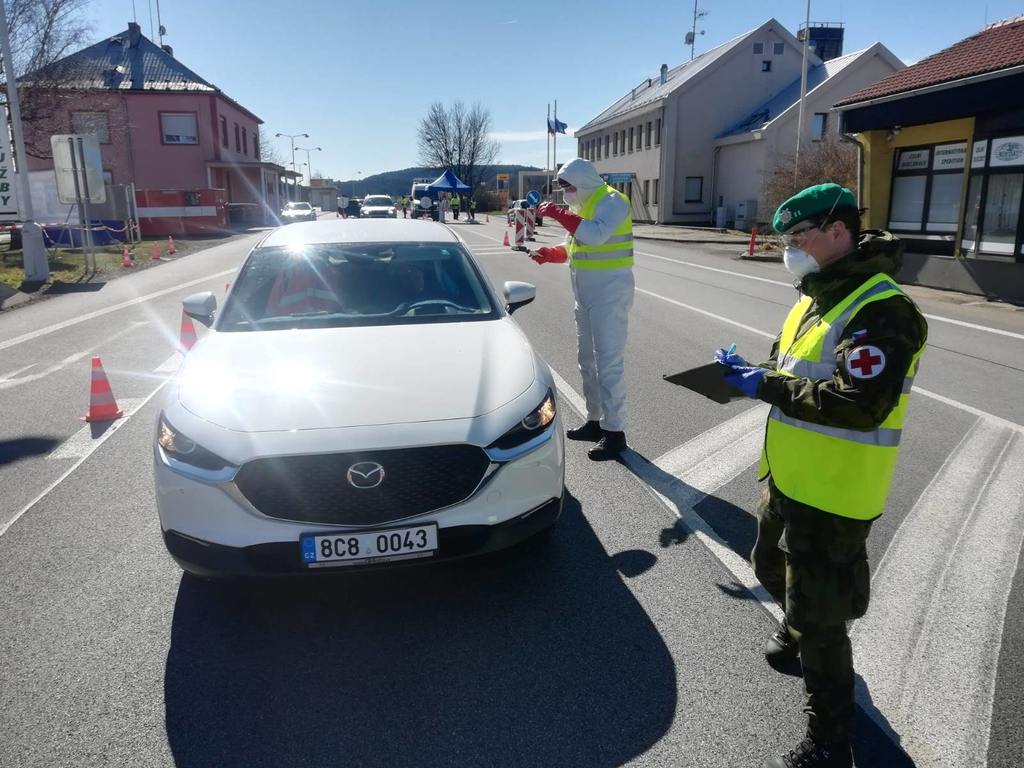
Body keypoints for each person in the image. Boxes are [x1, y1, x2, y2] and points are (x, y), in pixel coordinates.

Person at [714, 183, 928, 768]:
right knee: (767, 563)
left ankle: (831, 740)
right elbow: (792, 367)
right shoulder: (818, 294)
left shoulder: (881, 309)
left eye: (798, 237)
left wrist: (764, 385)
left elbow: (860, 405)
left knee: (823, 621)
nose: (789, 249)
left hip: (834, 492)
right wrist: (749, 371)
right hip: (789, 475)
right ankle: (795, 627)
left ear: (838, 232)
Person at [531, 157, 634, 461]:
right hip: (586, 295)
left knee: (608, 364)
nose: (566, 193)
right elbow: (574, 246)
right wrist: (551, 253)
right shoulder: (584, 207)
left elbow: (595, 235)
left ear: (584, 182)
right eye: (563, 187)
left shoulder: (613, 201)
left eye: (569, 187)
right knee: (587, 361)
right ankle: (595, 421)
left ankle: (614, 433)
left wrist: (559, 214)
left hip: (610, 294)